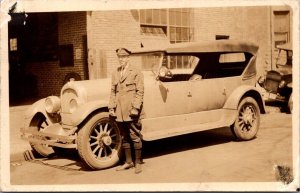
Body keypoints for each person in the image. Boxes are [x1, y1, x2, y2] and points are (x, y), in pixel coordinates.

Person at [108, 47, 144, 174]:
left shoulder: (136, 72)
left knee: (135, 136)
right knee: (124, 137)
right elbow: (113, 91)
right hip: (119, 111)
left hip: (131, 110)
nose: (121, 59)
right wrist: (111, 107)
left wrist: (135, 108)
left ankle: (138, 162)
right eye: (119, 57)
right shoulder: (115, 72)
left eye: (123, 57)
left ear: (128, 57)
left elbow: (140, 92)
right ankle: (128, 162)